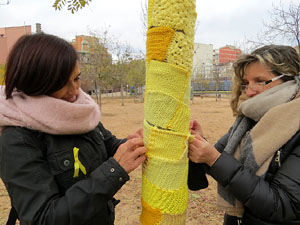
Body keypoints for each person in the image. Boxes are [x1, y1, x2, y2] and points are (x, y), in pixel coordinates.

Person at [0, 33, 147, 225]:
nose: (75, 91)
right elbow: (44, 218)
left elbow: (108, 145)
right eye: (62, 83)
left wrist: (136, 144)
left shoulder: (78, 112)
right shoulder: (17, 139)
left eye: (76, 78)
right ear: (34, 84)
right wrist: (113, 171)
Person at [188, 45, 300, 225]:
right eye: (246, 83)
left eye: (260, 81)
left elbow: (285, 205)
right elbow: (216, 160)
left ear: (289, 80)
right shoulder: (247, 120)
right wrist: (200, 143)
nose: (249, 91)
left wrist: (214, 159)